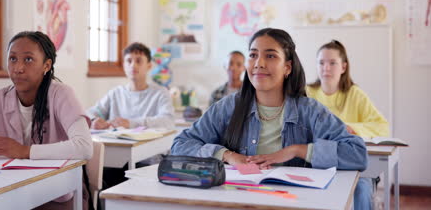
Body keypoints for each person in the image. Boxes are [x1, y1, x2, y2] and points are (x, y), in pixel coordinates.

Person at [171, 27, 367, 174]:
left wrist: (297, 150)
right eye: (253, 55)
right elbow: (180, 145)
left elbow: (357, 154)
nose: (259, 63)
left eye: (270, 56)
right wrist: (227, 155)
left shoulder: (310, 111)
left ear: (287, 67)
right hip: (240, 198)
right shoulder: (227, 107)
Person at [0, 31, 93, 210]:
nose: (18, 68)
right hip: (7, 193)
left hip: (56, 196)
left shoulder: (61, 95)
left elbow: (84, 147)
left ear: (46, 65)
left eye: (28, 59)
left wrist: (24, 151)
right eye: (13, 59)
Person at [306, 40, 390, 210]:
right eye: (321, 63)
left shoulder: (355, 94)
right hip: (316, 163)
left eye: (332, 63)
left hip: (351, 164)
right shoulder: (307, 93)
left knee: (360, 190)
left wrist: (351, 128)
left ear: (343, 67)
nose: (326, 68)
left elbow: (382, 127)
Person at [87, 42, 174, 130]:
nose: (133, 65)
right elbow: (91, 112)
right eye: (129, 61)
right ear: (124, 65)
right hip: (116, 143)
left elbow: (168, 121)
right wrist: (93, 120)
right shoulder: (115, 93)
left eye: (138, 61)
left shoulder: (161, 93)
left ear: (149, 66)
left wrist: (131, 123)